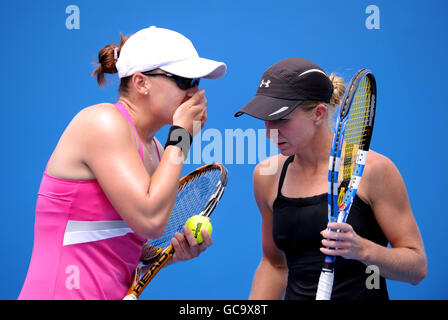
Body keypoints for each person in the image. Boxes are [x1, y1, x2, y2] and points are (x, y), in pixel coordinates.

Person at [19, 26, 227, 300]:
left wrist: (169, 255)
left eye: (197, 82)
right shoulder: (102, 123)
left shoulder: (154, 150)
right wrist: (182, 137)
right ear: (141, 83)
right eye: (184, 81)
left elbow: (127, 246)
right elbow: (150, 221)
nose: (196, 94)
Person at [234, 57, 427, 300]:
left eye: (281, 118)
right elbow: (275, 265)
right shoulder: (266, 176)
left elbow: (417, 268)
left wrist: (363, 250)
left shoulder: (374, 171)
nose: (270, 131)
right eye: (266, 118)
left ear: (318, 113)